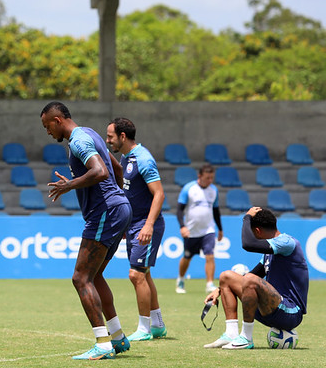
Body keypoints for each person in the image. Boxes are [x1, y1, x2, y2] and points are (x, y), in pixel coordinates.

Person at [40, 101, 132, 360]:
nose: (47, 132)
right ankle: (117, 337)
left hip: (105, 211)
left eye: (47, 126)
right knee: (96, 274)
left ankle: (102, 344)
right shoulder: (90, 133)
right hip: (117, 209)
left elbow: (100, 171)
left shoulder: (78, 141)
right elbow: (116, 168)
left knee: (80, 278)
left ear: (57, 121)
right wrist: (120, 202)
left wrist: (70, 185)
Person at [204, 206, 308, 349]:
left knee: (249, 279)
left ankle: (246, 338)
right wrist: (219, 290)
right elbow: (253, 274)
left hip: (290, 313)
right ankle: (231, 334)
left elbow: (248, 244)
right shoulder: (270, 252)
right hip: (270, 308)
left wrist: (246, 218)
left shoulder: (287, 242)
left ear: (257, 231)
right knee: (226, 276)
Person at [105, 117, 168, 341]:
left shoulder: (143, 158)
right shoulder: (126, 157)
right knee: (143, 273)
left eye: (110, 136)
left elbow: (159, 194)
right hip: (133, 224)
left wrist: (148, 225)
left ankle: (144, 329)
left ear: (123, 136)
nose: (107, 140)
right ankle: (158, 324)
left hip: (145, 224)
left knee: (136, 274)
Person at [176, 163, 222, 294]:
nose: (210, 181)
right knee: (187, 257)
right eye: (207, 178)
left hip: (208, 230)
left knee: (210, 256)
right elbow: (179, 210)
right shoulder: (189, 188)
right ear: (199, 176)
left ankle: (209, 284)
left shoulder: (214, 190)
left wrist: (220, 229)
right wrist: (182, 226)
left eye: (212, 178)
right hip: (191, 231)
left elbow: (216, 211)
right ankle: (180, 279)